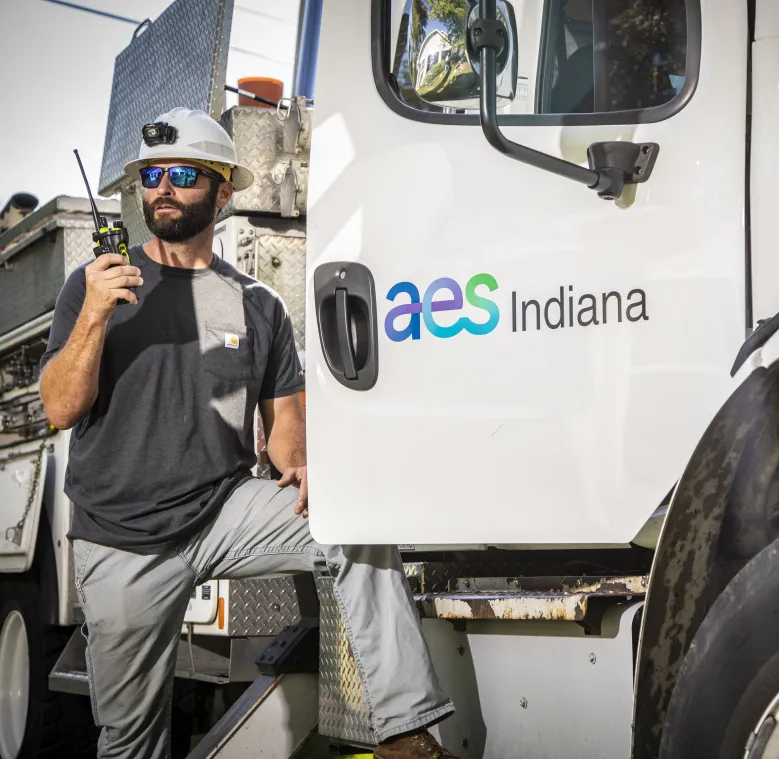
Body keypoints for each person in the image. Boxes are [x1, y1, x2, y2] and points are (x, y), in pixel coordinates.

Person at [39, 107, 462, 759]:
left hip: (221, 513)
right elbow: (60, 409)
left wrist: (302, 469)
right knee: (131, 741)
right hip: (122, 537)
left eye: (182, 173)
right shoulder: (93, 286)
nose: (163, 187)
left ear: (222, 190)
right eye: (151, 174)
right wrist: (93, 315)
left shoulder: (257, 305)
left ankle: (405, 730)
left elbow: (284, 429)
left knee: (350, 518)